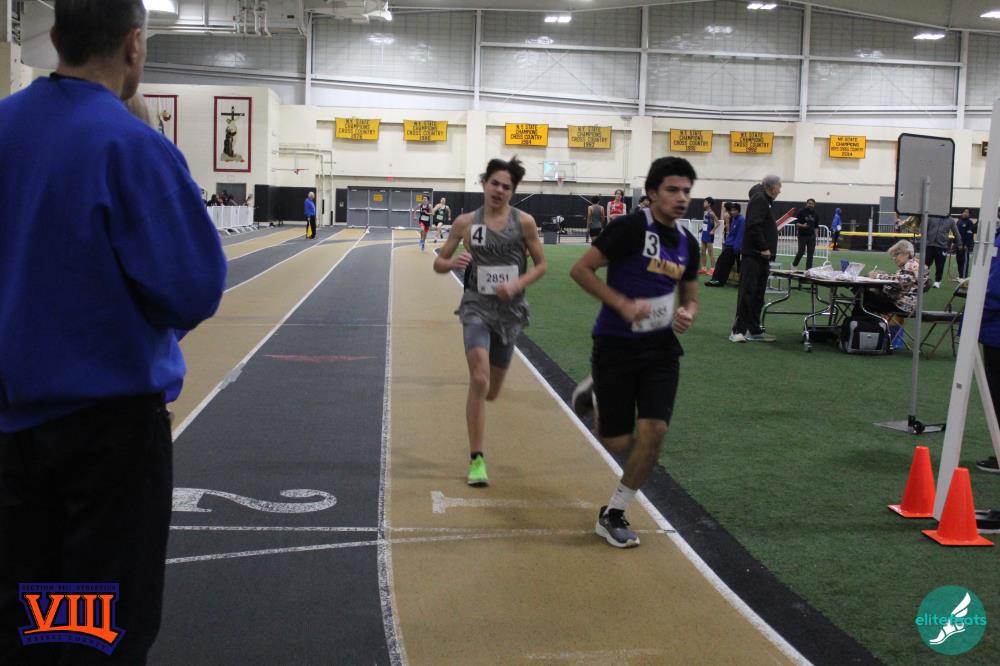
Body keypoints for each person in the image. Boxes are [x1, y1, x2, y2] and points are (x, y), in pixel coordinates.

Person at [0, 2, 227, 664]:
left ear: (55, 37)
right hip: (106, 445)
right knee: (95, 636)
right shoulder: (132, 147)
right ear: (134, 45)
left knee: (21, 629)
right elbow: (194, 286)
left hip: (11, 436)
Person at [568, 156, 699, 548]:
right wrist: (622, 304)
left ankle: (614, 512)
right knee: (617, 443)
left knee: (654, 433)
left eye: (686, 191)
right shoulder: (629, 228)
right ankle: (594, 394)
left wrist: (687, 313)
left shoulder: (687, 243)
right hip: (615, 345)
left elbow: (690, 295)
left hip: (660, 350)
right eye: (672, 190)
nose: (681, 198)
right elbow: (581, 270)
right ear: (653, 192)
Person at [432, 156, 547, 486]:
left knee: (492, 391)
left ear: (512, 191)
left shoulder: (524, 223)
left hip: (510, 312)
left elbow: (541, 265)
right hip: (476, 307)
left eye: (506, 186)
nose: (499, 190)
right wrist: (453, 263)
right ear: (484, 183)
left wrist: (517, 284)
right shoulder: (465, 223)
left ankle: (484, 405)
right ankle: (477, 459)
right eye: (494, 183)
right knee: (479, 379)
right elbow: (439, 263)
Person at [731, 175, 782, 343]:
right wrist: (763, 247)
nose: (780, 191)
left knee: (758, 295)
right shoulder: (760, 199)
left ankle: (753, 329)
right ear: (772, 188)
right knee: (748, 293)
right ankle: (738, 331)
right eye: (779, 187)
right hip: (754, 255)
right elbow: (754, 225)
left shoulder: (764, 199)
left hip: (761, 257)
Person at [865, 240, 922, 317]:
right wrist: (885, 275)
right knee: (867, 297)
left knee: (865, 298)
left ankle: (859, 322)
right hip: (903, 304)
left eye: (896, 254)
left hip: (901, 305)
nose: (894, 258)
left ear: (906, 253)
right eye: (893, 256)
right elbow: (901, 279)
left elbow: (901, 281)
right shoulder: (912, 264)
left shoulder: (912, 265)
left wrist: (878, 276)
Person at [706, 202, 744, 287]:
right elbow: (731, 233)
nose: (732, 212)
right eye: (731, 210)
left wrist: (736, 248)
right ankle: (717, 280)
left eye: (734, 210)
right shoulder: (734, 219)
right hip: (729, 245)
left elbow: (739, 235)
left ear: (738, 211)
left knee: (724, 264)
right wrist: (726, 242)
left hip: (733, 247)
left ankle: (719, 281)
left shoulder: (741, 220)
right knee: (722, 263)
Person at [924, 214, 960, 288]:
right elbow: (924, 228)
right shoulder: (931, 217)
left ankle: (937, 281)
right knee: (926, 264)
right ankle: (924, 279)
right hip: (929, 245)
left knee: (940, 265)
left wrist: (959, 243)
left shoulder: (950, 220)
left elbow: (956, 232)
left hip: (942, 246)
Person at [792, 198, 820, 270]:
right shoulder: (801, 212)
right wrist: (802, 225)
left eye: (812, 204)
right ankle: (794, 265)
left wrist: (816, 236)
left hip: (812, 236)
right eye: (809, 203)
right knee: (801, 252)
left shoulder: (816, 214)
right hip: (802, 236)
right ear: (806, 204)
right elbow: (796, 223)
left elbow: (816, 226)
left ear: (814, 205)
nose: (810, 205)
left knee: (810, 254)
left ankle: (808, 270)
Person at [699, 197, 718, 275]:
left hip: (709, 235)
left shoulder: (711, 213)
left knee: (710, 252)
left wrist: (713, 230)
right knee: (703, 252)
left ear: (709, 204)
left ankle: (713, 269)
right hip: (704, 233)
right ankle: (703, 268)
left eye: (705, 202)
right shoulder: (705, 212)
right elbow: (706, 222)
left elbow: (718, 223)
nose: (704, 203)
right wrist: (702, 229)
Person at [956, 209, 977, 279]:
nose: (965, 213)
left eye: (967, 212)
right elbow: (955, 233)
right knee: (959, 261)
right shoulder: (959, 221)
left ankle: (964, 277)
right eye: (964, 212)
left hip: (965, 246)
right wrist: (954, 243)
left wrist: (966, 245)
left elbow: (969, 235)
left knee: (964, 262)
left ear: (969, 214)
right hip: (958, 245)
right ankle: (960, 276)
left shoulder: (969, 222)